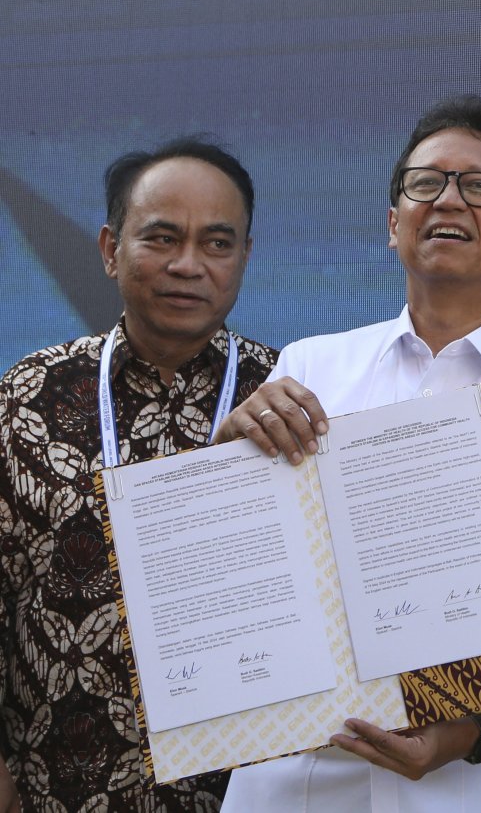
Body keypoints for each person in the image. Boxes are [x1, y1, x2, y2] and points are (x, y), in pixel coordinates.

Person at [216, 95, 481, 813]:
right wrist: (225, 467)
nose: (448, 200)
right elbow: (243, 566)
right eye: (424, 183)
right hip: (304, 775)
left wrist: (470, 730)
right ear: (391, 224)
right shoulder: (310, 369)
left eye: (480, 186)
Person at [0, 139, 277, 812]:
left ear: (242, 257)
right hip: (59, 788)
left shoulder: (291, 395)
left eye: (217, 243)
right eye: (161, 237)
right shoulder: (26, 397)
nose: (188, 265)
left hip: (251, 795)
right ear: (108, 248)